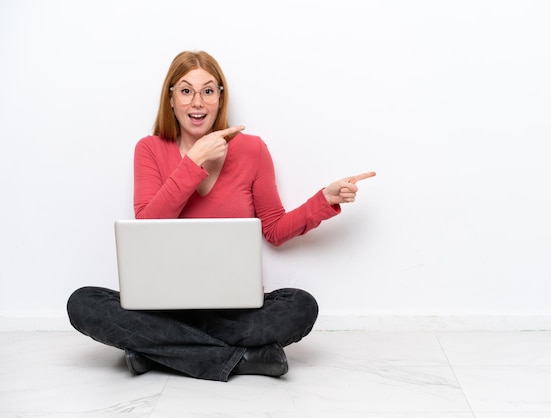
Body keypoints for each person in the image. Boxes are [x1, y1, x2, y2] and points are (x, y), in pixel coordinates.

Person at [66, 50, 375, 382]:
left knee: (301, 305)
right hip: (162, 305)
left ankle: (155, 352)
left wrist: (323, 200)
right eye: (186, 91)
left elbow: (274, 229)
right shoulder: (150, 149)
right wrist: (193, 162)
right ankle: (246, 358)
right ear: (170, 99)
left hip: (232, 309)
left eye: (208, 91)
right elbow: (147, 227)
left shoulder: (252, 149)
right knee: (83, 303)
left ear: (220, 98)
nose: (197, 102)